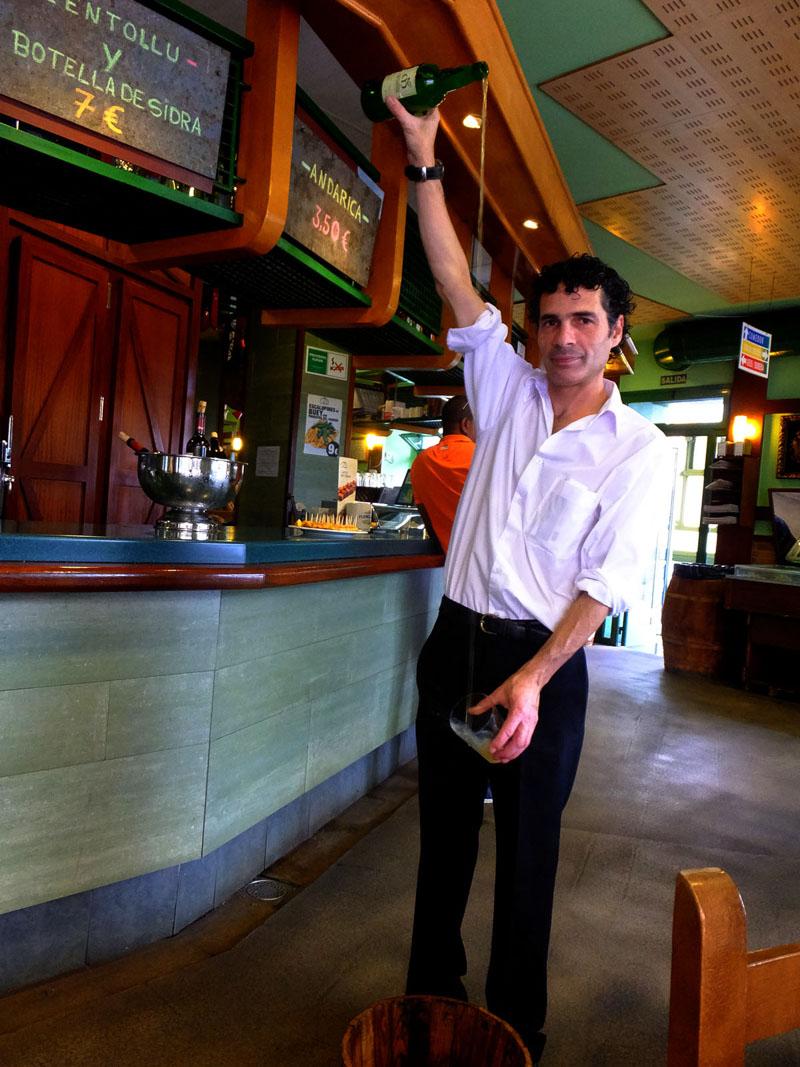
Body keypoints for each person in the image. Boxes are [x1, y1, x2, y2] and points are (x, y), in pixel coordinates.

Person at [385, 96, 670, 1061]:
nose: (562, 338)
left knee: (528, 861)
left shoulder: (638, 449)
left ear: (615, 330)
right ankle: (430, 1010)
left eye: (583, 321)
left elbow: (606, 581)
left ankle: (514, 1033)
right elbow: (449, 272)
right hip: (456, 640)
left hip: (542, 660)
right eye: (550, 320)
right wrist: (424, 157)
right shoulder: (503, 384)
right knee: (443, 848)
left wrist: (536, 681)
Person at [410, 394, 476, 552]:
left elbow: (426, 516)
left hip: (451, 561)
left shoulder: (421, 461)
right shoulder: (482, 456)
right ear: (466, 424)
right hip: (487, 562)